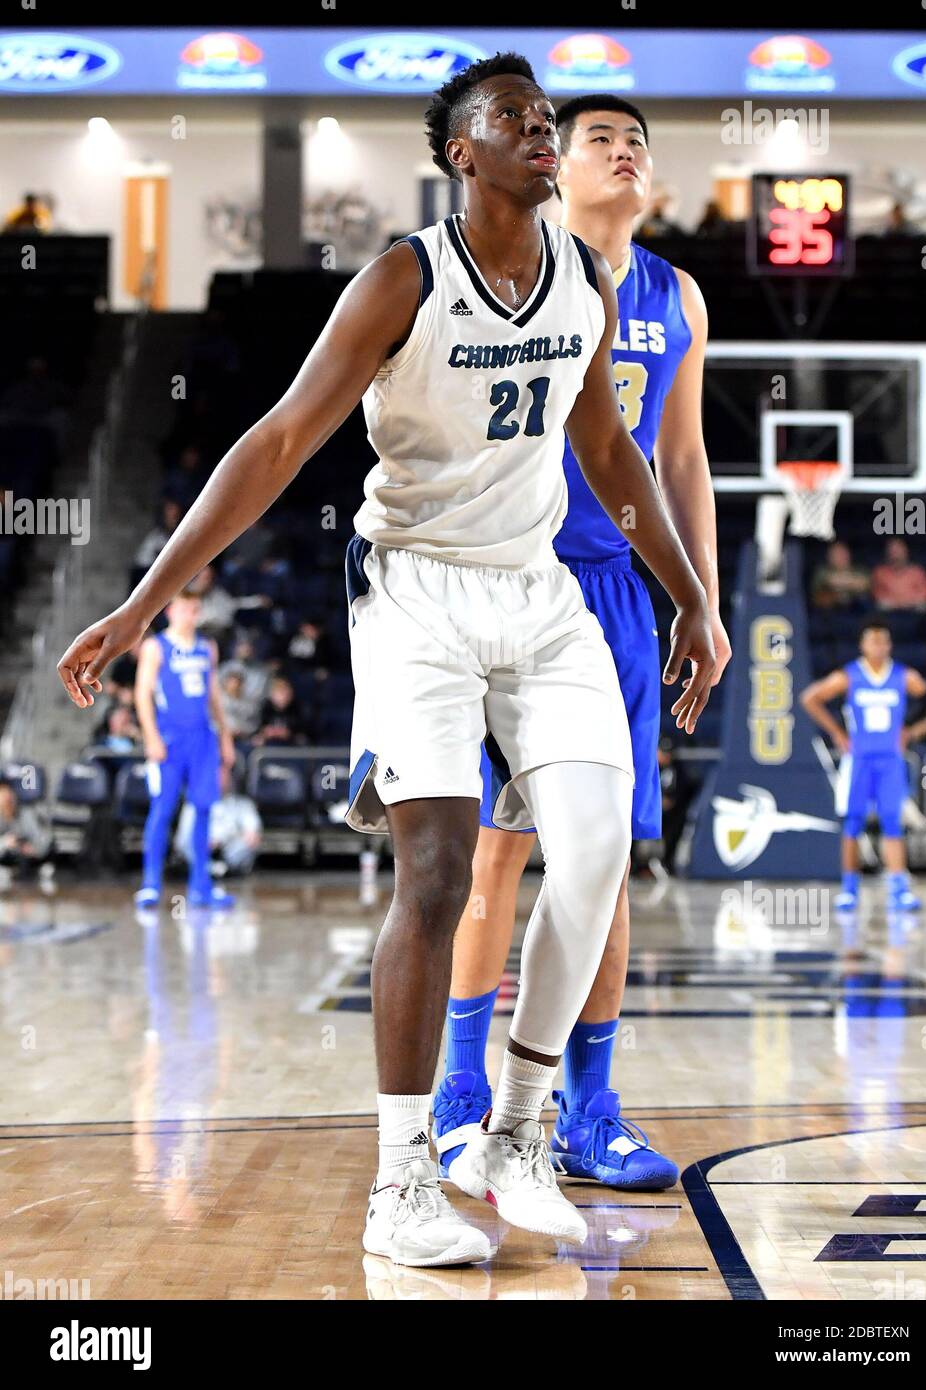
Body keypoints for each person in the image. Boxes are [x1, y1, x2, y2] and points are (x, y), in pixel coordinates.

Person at [57, 53, 716, 1268]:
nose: (542, 131)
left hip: (541, 591)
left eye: (547, 118)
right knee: (438, 866)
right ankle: (403, 1176)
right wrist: (147, 602)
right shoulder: (402, 279)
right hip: (414, 587)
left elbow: (614, 455)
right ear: (463, 153)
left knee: (593, 860)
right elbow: (279, 440)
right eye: (517, 119)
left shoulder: (583, 281)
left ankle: (518, 1135)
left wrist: (697, 602)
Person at [433, 93, 730, 1195]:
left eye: (639, 140)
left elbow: (684, 460)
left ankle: (586, 1109)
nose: (623, 150)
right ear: (556, 163)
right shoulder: (517, 268)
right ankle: (462, 1091)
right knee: (492, 854)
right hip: (513, 579)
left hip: (616, 593)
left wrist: (697, 596)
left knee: (604, 871)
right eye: (601, 136)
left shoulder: (677, 293)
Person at [800, 620, 926, 913]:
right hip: (858, 760)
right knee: (853, 823)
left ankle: (899, 890)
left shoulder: (904, 676)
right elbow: (810, 698)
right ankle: (849, 889)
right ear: (863, 645)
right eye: (873, 641)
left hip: (890, 761)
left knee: (893, 823)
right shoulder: (849, 675)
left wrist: (911, 730)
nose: (879, 647)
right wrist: (837, 733)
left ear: (890, 645)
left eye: (884, 642)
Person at [132, 588, 236, 910]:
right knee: (162, 810)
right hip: (170, 739)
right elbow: (142, 694)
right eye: (184, 609)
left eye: (194, 609)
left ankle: (201, 886)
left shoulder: (207, 648)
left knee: (204, 809)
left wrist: (226, 737)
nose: (190, 615)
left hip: (202, 738)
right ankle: (150, 885)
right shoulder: (155, 647)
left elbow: (214, 697)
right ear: (170, 611)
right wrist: (151, 736)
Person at [175, 765, 262, 878]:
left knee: (250, 840)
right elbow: (183, 836)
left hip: (228, 851)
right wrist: (205, 840)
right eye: (217, 776)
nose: (221, 780)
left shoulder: (242, 804)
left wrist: (222, 839)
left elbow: (252, 828)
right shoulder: (193, 804)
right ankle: (206, 869)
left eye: (225, 776)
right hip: (201, 849)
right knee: (186, 842)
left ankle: (224, 869)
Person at [0, 777, 53, 889]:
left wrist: (33, 849)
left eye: (8, 793)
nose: (6, 798)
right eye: (2, 794)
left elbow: (43, 842)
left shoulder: (26, 814)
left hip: (31, 857)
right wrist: (5, 843)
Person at [871, 539, 926, 611]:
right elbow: (877, 594)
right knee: (881, 605)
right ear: (887, 553)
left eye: (898, 550)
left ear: (905, 552)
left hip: (913, 609)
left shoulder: (917, 571)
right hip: (889, 609)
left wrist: (906, 603)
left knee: (923, 605)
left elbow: (924, 593)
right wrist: (897, 604)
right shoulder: (880, 572)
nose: (896, 554)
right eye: (893, 551)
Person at [810, 541, 871, 610]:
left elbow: (865, 584)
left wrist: (843, 582)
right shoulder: (822, 571)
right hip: (830, 611)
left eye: (843, 553)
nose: (841, 557)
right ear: (829, 557)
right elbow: (824, 584)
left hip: (856, 609)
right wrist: (851, 583)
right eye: (836, 554)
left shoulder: (859, 570)